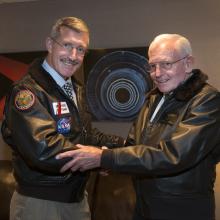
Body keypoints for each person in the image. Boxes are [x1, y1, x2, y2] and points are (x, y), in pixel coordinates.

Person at [56, 34, 220, 220]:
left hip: (182, 210)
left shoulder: (207, 101)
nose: (158, 73)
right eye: (152, 66)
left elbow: (173, 155)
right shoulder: (153, 98)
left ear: (188, 63)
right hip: (144, 204)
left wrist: (104, 158)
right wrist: (105, 158)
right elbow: (135, 144)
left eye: (166, 64)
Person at [1, 16, 124, 220]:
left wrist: (124, 147)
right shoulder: (27, 92)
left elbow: (85, 135)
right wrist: (99, 160)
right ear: (50, 44)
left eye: (81, 49)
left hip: (76, 199)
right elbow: (44, 148)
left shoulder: (75, 89)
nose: (73, 55)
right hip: (41, 205)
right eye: (67, 45)